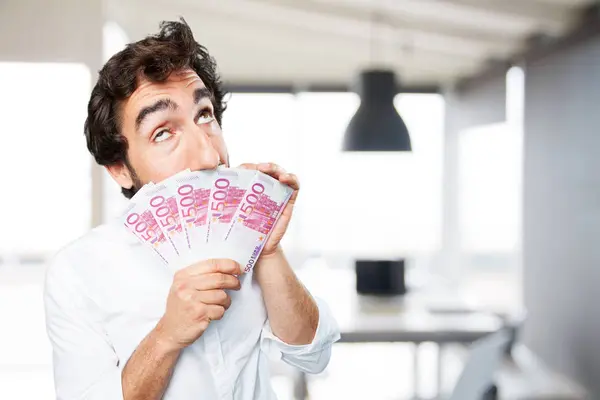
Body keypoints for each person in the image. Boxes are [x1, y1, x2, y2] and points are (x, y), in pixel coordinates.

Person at [44, 19, 340, 400]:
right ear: (119, 169)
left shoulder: (249, 231)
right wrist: (168, 334)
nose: (207, 154)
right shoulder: (77, 271)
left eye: (204, 115)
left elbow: (313, 356)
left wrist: (267, 249)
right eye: (163, 132)